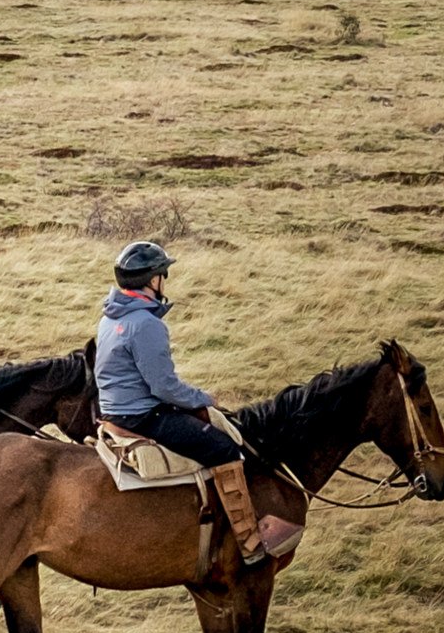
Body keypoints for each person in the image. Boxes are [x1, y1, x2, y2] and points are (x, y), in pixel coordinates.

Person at [93, 240, 296, 567]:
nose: (164, 281)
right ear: (151, 280)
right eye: (163, 275)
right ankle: (248, 540)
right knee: (224, 448)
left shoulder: (112, 317)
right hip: (143, 416)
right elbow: (163, 387)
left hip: (115, 411)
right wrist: (203, 398)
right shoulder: (147, 324)